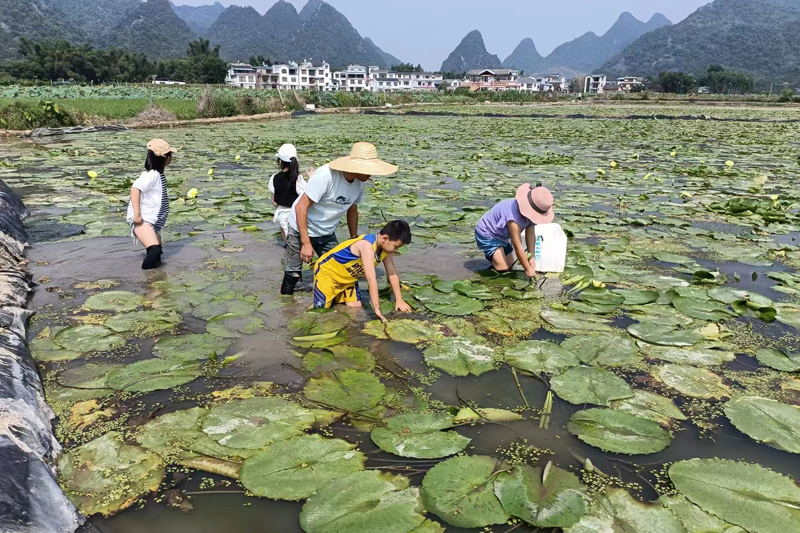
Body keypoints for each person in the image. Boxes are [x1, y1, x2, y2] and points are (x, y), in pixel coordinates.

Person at [281, 142, 398, 295]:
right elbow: (300, 208)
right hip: (301, 226)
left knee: (340, 267)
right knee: (293, 273)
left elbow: (352, 209)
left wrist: (354, 238)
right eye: (368, 170)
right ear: (357, 167)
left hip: (326, 231)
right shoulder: (326, 176)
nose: (371, 174)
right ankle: (288, 304)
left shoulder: (359, 183)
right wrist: (306, 243)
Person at [313, 220, 412, 323]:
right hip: (328, 273)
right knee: (320, 313)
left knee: (355, 308)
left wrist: (399, 300)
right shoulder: (366, 246)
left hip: (349, 278)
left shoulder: (385, 249)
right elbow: (371, 280)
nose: (396, 250)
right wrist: (377, 309)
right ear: (385, 238)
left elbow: (392, 274)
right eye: (395, 247)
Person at [475, 184, 554, 278]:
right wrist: (527, 269)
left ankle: (496, 259)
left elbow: (531, 234)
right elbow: (517, 246)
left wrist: (531, 258)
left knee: (511, 265)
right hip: (488, 233)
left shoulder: (531, 215)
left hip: (502, 236)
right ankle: (492, 262)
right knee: (503, 268)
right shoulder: (513, 217)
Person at [127, 139, 176, 270]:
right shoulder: (152, 175)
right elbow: (135, 189)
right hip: (143, 220)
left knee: (157, 254)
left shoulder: (158, 175)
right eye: (170, 155)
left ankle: (155, 277)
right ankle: (143, 277)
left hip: (153, 222)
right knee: (155, 250)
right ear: (166, 158)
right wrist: (137, 214)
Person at [268, 143, 307, 243]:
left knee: (286, 241)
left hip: (281, 214)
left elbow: (273, 200)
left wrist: (281, 207)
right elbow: (307, 196)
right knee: (295, 243)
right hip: (296, 215)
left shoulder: (274, 178)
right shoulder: (298, 179)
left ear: (280, 161)